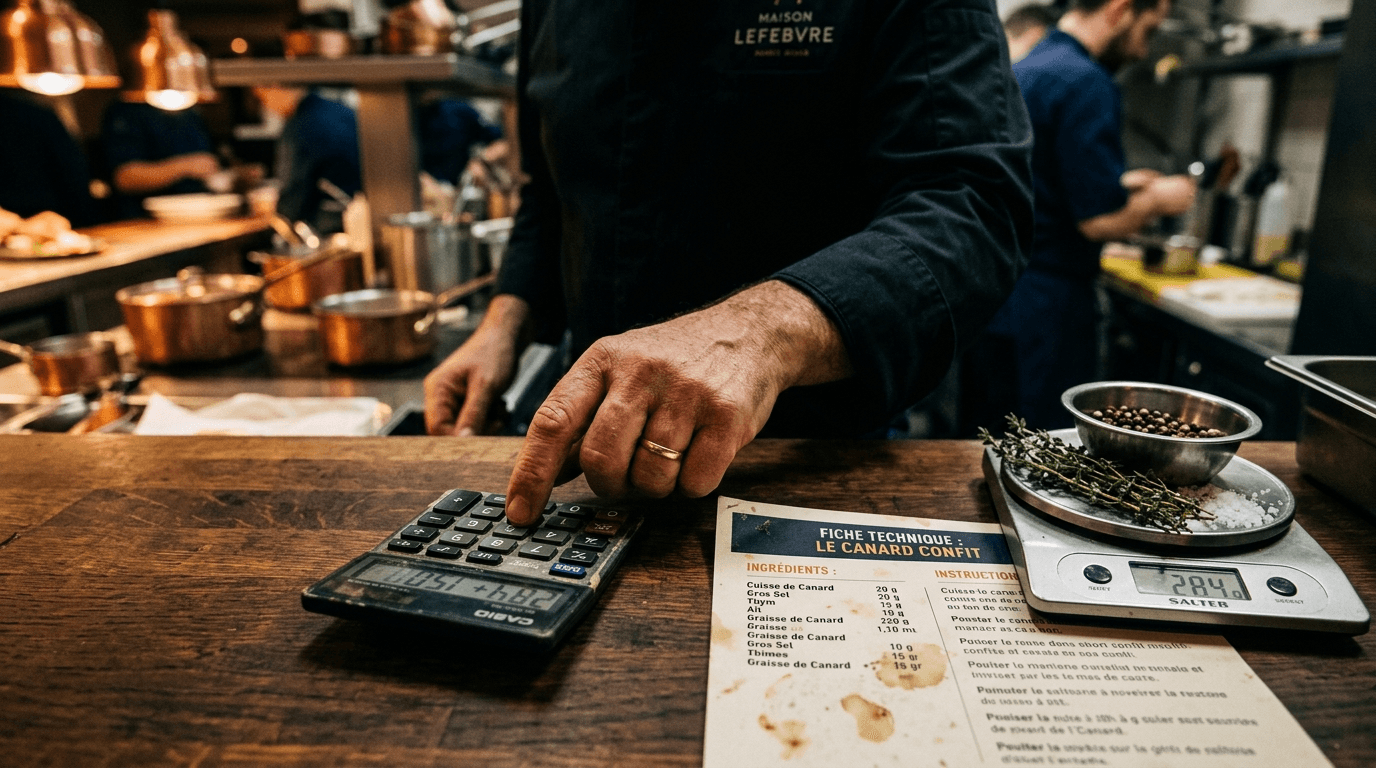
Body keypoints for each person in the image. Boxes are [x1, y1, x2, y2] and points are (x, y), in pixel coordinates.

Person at [424, 0, 1035, 526]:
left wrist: (758, 335)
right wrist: (506, 320)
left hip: (799, 466)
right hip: (590, 463)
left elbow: (972, 200)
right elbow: (553, 190)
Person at [968, 0, 1195, 431]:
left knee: (991, 439)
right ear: (1120, 10)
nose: (1143, 51)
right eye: (1148, 31)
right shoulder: (1086, 81)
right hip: (1049, 308)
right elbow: (1098, 222)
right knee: (1045, 445)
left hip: (996, 297)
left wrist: (1120, 184)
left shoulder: (1027, 67)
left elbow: (1042, 178)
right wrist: (1162, 198)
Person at [252, 86, 361, 233]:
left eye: (263, 98)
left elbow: (293, 195)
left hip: (334, 225)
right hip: (364, 213)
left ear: (275, 88)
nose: (266, 106)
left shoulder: (300, 126)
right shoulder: (339, 108)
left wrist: (275, 231)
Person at [101, 101, 221, 220]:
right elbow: (124, 178)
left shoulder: (190, 110)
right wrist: (185, 166)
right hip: (144, 221)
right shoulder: (128, 110)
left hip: (201, 215)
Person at [0, 91, 99, 227]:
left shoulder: (35, 115)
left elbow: (75, 174)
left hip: (55, 228)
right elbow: (75, 176)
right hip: (57, 226)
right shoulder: (36, 114)